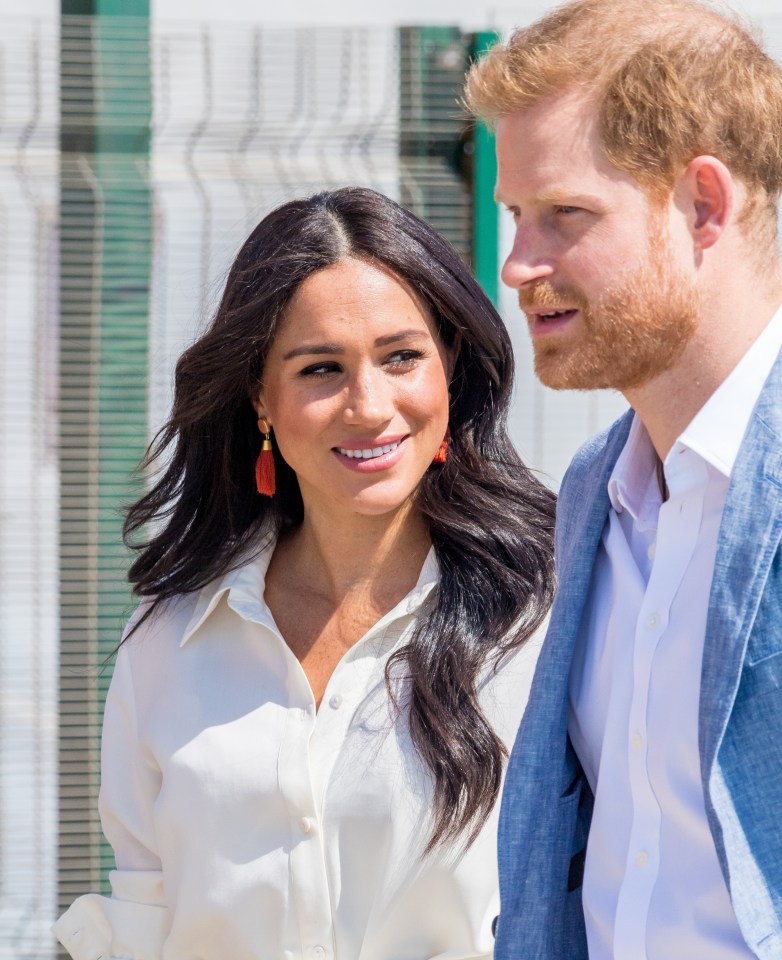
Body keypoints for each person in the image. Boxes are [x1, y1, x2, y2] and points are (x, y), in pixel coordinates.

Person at [52, 186, 556, 960]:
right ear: (261, 395)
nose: (369, 405)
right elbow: (142, 914)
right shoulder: (167, 638)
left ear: (449, 370)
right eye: (322, 368)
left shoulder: (542, 621)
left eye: (401, 358)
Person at [464, 1, 782, 958]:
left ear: (704, 206)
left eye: (565, 215)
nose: (519, 265)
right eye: (516, 217)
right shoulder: (595, 491)